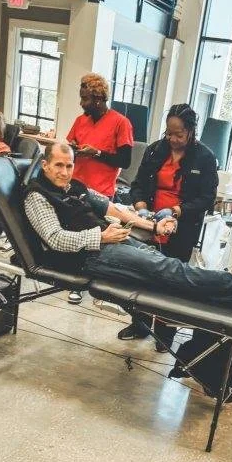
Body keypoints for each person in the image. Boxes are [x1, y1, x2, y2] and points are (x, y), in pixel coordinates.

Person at [24, 143, 232, 321]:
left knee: (166, 268)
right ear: (45, 165)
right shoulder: (37, 196)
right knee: (168, 269)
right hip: (88, 256)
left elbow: (113, 208)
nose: (65, 172)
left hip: (110, 240)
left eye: (69, 166)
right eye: (59, 165)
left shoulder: (75, 187)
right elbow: (55, 239)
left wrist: (153, 226)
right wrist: (101, 237)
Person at [120, 103, 218, 349]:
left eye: (179, 134)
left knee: (171, 281)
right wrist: (142, 208)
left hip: (182, 226)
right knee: (143, 274)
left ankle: (165, 335)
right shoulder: (155, 150)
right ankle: (140, 325)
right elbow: (138, 184)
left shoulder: (205, 158)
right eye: (169, 133)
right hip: (149, 223)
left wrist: (176, 211)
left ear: (191, 131)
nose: (173, 139)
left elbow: (207, 198)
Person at [65, 73, 134, 304]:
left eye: (85, 99)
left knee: (97, 237)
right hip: (76, 186)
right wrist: (73, 150)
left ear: (98, 99)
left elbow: (125, 160)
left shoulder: (120, 123)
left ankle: (87, 283)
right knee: (77, 234)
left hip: (101, 191)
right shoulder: (80, 121)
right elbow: (69, 149)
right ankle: (75, 280)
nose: (81, 103)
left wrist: (96, 153)